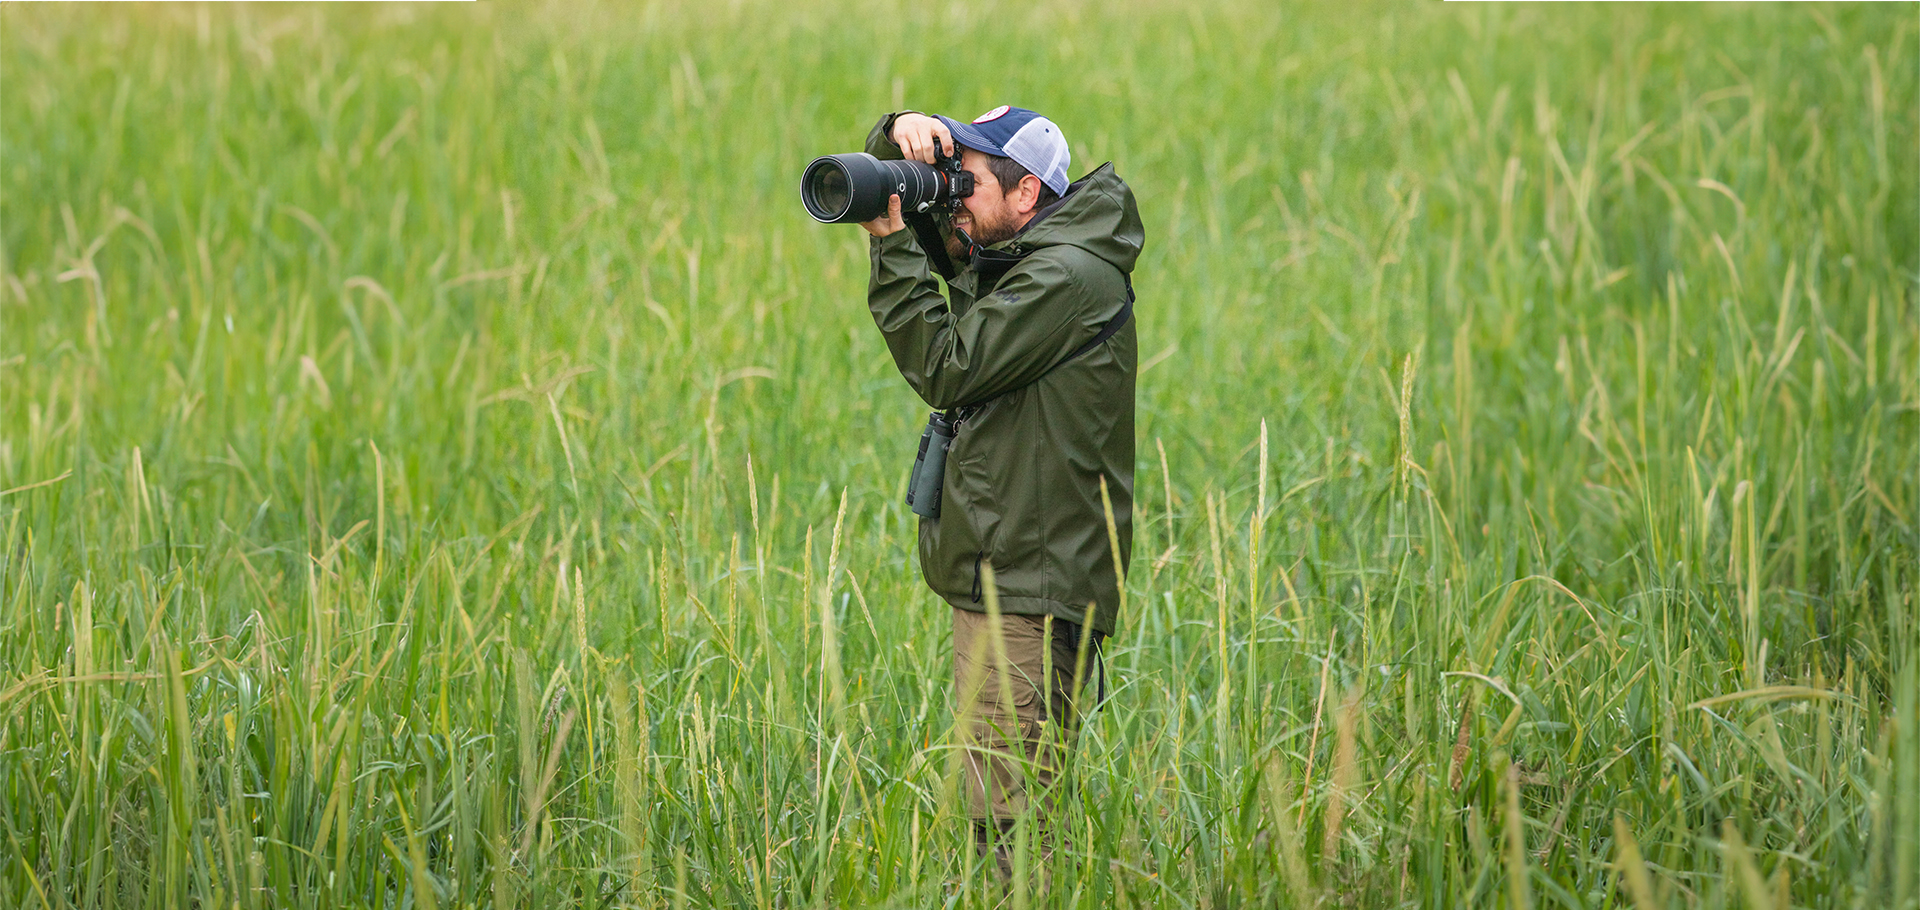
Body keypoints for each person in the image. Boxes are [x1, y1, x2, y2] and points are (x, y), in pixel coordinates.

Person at [853, 105, 1143, 880]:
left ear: (1025, 197)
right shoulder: (1036, 252)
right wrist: (900, 141)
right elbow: (948, 240)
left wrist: (890, 252)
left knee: (1000, 825)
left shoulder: (1064, 276)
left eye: (967, 182)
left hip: (1029, 583)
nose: (952, 199)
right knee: (1001, 808)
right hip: (1006, 571)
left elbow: (948, 365)